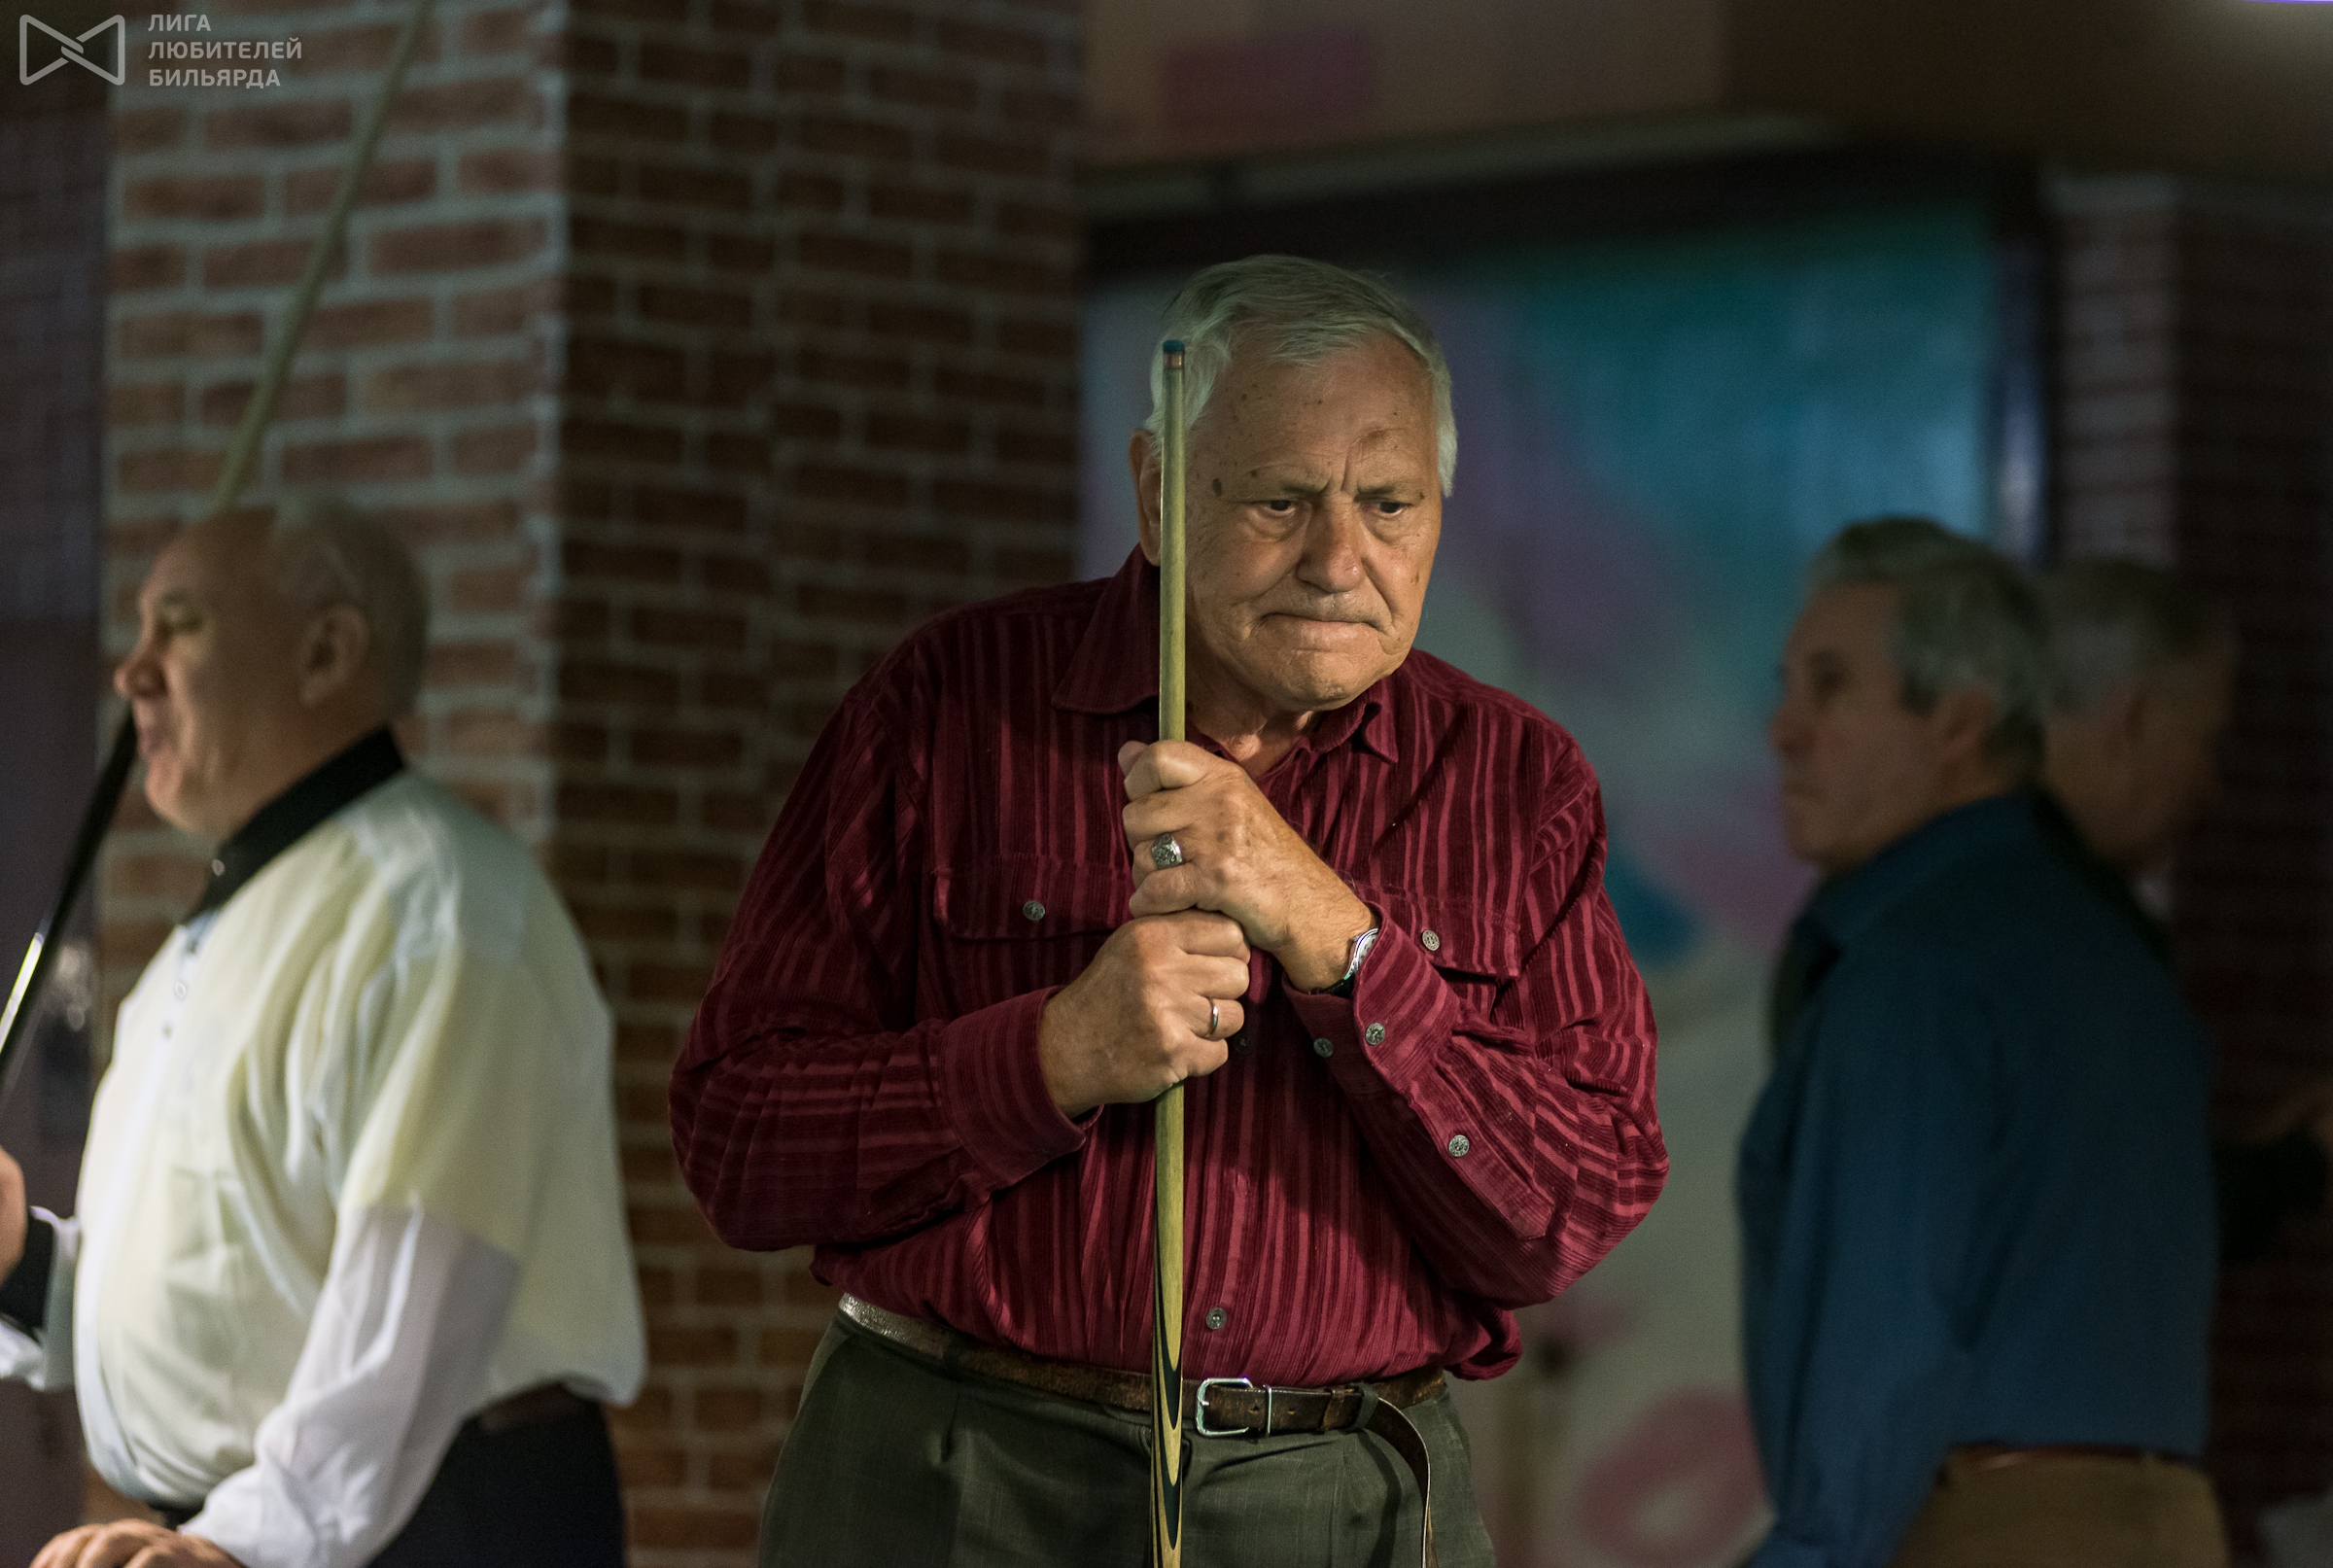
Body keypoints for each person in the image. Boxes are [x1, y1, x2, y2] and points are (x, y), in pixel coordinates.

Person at [671, 254, 1667, 1566]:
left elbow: (1572, 1208)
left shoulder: (1516, 780)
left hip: (1346, 1496)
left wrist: (1343, 942)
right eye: (1280, 499)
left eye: (1388, 503)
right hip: (957, 1474)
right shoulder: (945, 707)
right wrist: (1052, 1054)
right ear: (1157, 493)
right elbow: (739, 1141)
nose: (1340, 559)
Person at [0, 500, 645, 1568]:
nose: (132, 670)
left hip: (426, 1529)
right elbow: (232, 1288)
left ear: (326, 653)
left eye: (181, 624)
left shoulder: (437, 908)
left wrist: (236, 1544)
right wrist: (21, 1261)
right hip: (294, 1526)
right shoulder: (221, 931)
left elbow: (417, 1307)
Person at [1739, 518, 2224, 1568]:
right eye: (1791, 687)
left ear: (1959, 720)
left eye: (1832, 688)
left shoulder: (1916, 970)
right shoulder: (2116, 954)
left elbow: (1882, 1340)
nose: (1785, 729)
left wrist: (1807, 1553)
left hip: (1989, 1525)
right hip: (2172, 1521)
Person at [2037, 558, 2330, 1259]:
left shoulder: (1950, 881)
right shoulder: (2073, 927)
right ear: (2130, 719)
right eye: (2206, 742)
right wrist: (2307, 1161)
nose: (2211, 787)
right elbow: (2127, 1218)